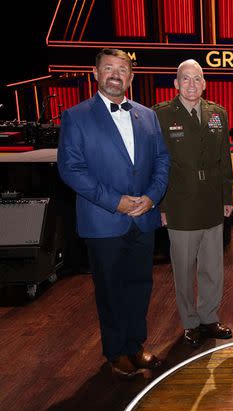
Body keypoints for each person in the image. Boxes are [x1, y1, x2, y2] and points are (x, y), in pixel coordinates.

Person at [57, 48, 170, 378]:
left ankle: (136, 345)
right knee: (109, 288)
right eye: (108, 68)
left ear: (131, 77)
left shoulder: (148, 116)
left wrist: (151, 197)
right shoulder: (76, 116)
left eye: (122, 69)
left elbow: (162, 161)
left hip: (143, 218)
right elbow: (71, 169)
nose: (115, 74)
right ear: (96, 73)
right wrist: (116, 201)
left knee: (139, 285)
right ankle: (116, 350)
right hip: (103, 220)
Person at [152, 59, 233, 348]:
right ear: (176, 84)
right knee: (184, 269)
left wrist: (227, 197)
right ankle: (190, 323)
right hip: (179, 203)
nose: (191, 84)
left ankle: (209, 318)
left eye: (196, 79)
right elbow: (156, 163)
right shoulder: (161, 114)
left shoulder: (217, 114)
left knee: (213, 267)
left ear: (204, 83)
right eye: (185, 79)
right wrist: (160, 205)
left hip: (212, 201)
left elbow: (224, 158)